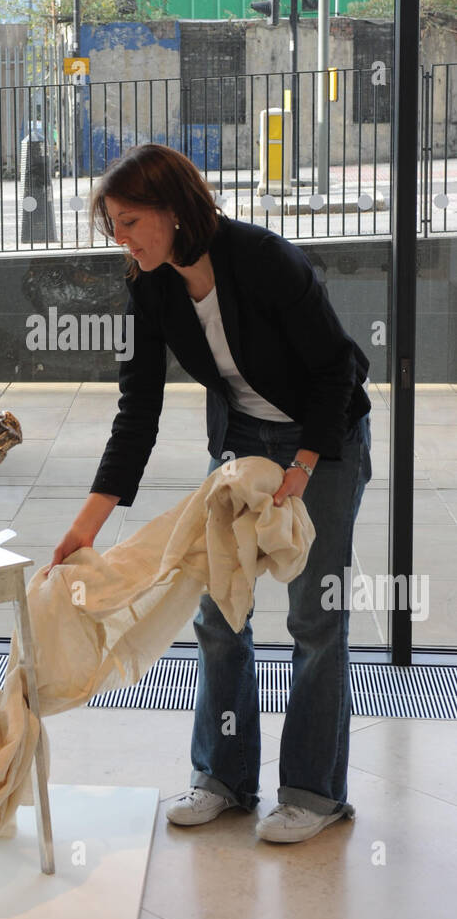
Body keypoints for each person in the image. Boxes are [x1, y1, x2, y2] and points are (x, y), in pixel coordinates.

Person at [49, 143, 372, 844]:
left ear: (174, 211)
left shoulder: (262, 258)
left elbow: (336, 365)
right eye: (112, 226)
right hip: (241, 446)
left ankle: (314, 794)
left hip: (324, 443)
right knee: (218, 610)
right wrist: (87, 528)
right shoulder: (150, 283)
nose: (121, 240)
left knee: (316, 620)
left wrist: (306, 466)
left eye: (131, 222)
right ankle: (224, 778)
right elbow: (137, 410)